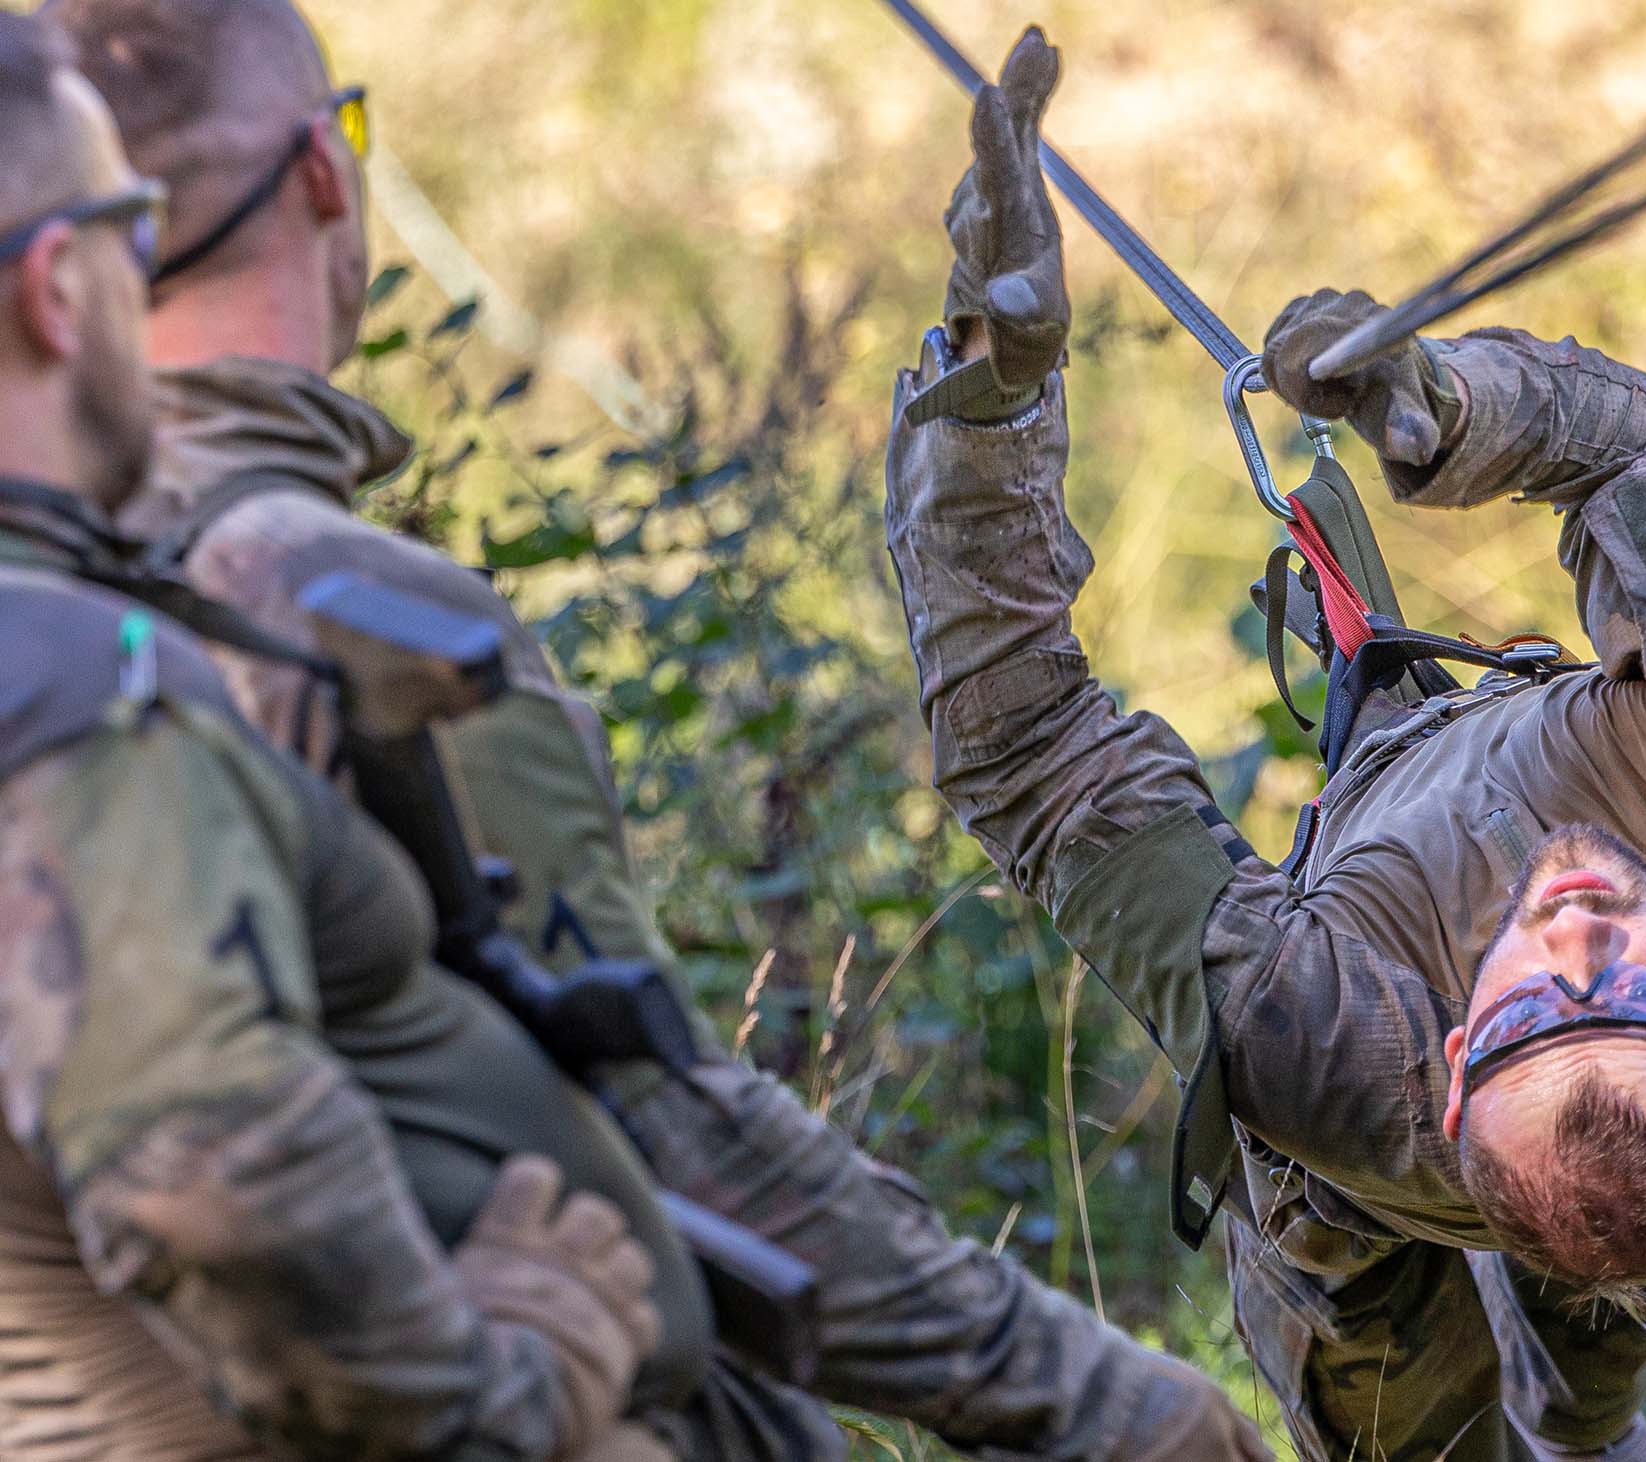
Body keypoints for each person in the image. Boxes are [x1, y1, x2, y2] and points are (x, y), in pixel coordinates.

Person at [48, 1, 1271, 1458]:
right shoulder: (327, 611)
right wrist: (1113, 1399)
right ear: (327, 173)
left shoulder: (59, 595)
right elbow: (666, 1118)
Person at [885, 28, 1646, 1462]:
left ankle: (1588, 1400)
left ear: (1445, 1067)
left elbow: (1030, 755)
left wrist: (989, 394)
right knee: (1450, 1391)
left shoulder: (1319, 1044)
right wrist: (1441, 401)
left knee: (1571, 1319)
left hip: (1372, 1170)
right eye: (1634, 988)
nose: (1572, 933)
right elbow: (1645, 449)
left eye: (1525, 1011)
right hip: (1460, 1170)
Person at [0, 15, 678, 1460]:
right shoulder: (82, 687)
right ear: (61, 285)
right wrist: (513, 1382)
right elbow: (205, 1177)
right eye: (124, 223)